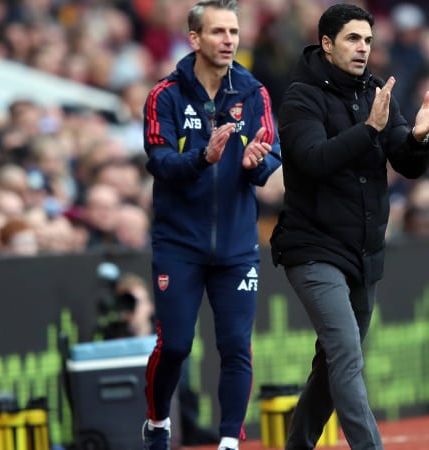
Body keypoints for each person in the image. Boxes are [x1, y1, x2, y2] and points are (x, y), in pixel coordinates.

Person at [269, 4, 429, 449]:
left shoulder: (374, 91)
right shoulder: (299, 97)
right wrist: (369, 129)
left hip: (364, 252)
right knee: (346, 352)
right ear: (327, 44)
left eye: (367, 40)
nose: (362, 48)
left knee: (332, 363)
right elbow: (313, 160)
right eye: (352, 39)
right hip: (312, 247)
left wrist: (419, 138)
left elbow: (406, 162)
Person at [140, 1, 282, 450]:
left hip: (238, 247)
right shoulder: (164, 95)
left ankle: (228, 442)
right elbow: (159, 163)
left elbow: (269, 159)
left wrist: (256, 163)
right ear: (195, 38)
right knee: (177, 345)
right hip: (179, 244)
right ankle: (158, 422)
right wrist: (204, 157)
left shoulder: (254, 92)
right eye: (218, 31)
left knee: (236, 347)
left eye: (234, 31)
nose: (229, 40)